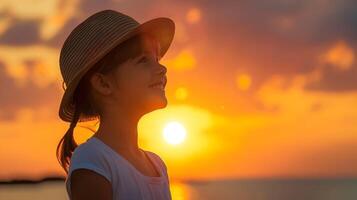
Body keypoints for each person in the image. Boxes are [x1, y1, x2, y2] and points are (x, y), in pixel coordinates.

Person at [56, 9, 175, 200]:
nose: (162, 68)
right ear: (103, 84)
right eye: (143, 60)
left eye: (157, 59)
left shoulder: (157, 165)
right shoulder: (93, 159)